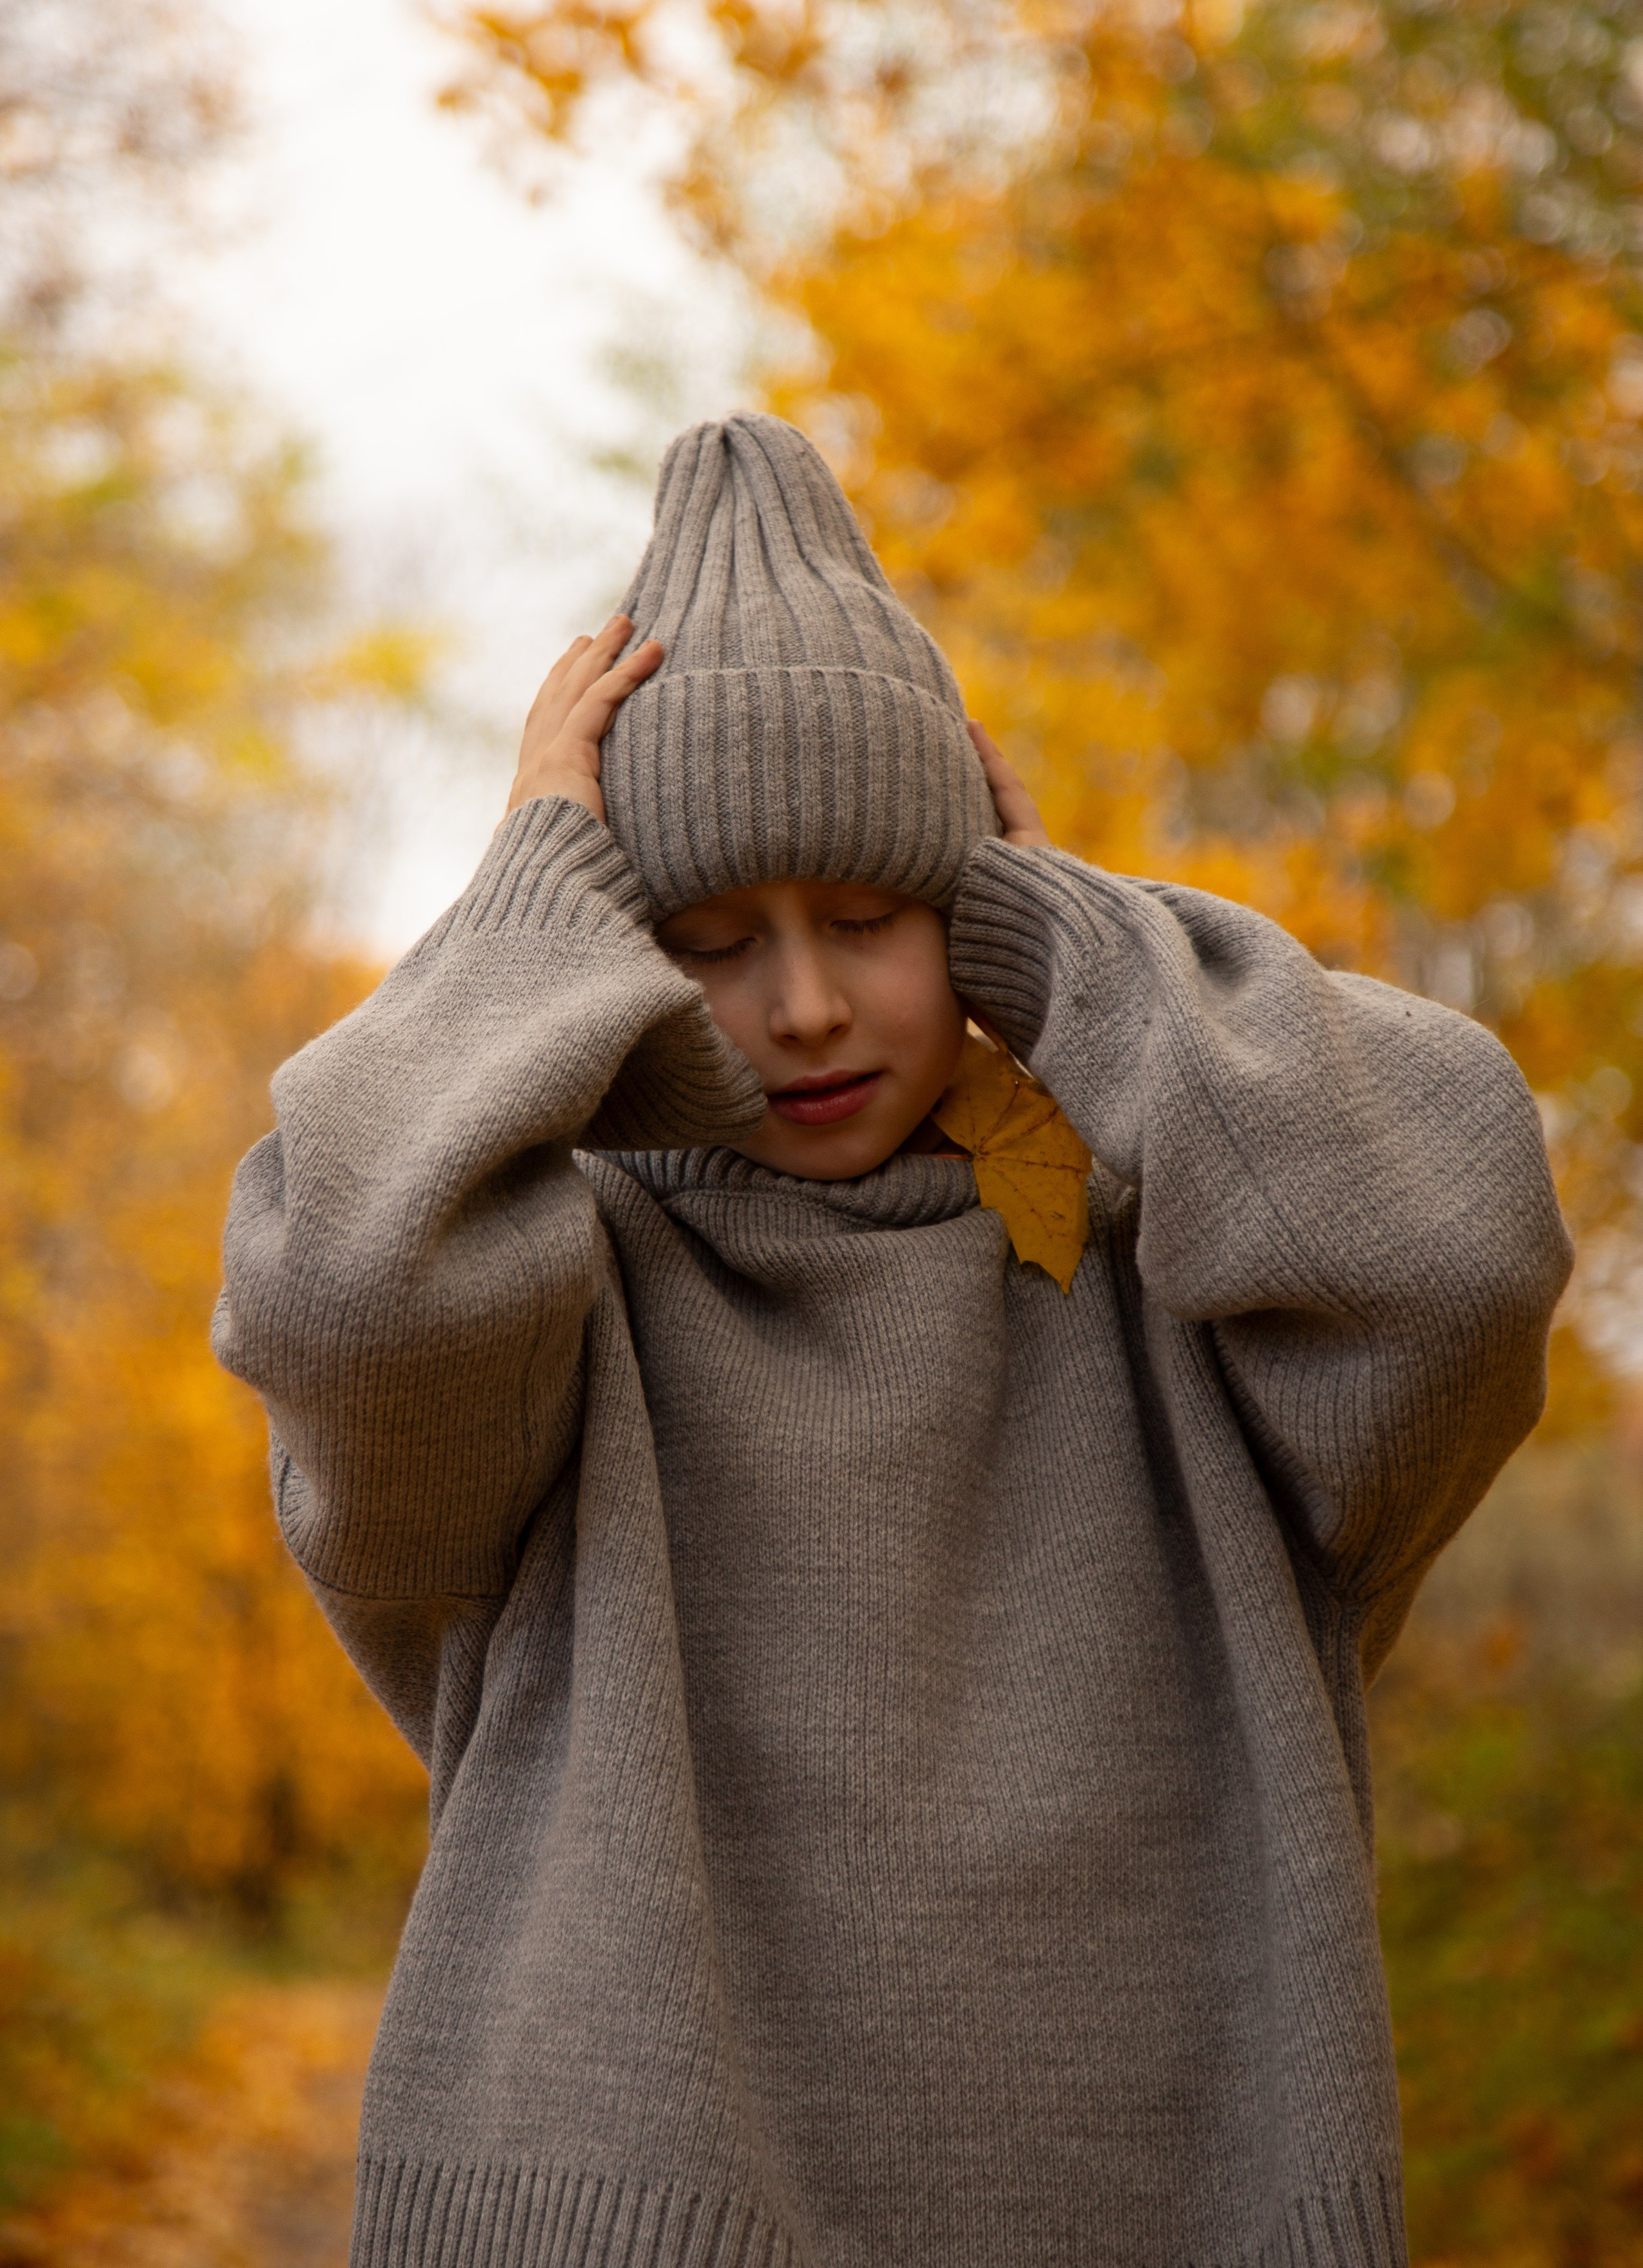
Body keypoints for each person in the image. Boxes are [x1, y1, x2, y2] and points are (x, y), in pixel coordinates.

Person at [214, 413, 1572, 2268]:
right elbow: (343, 1294)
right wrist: (533, 886)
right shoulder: (549, 1303)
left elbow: (1464, 1262)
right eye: (707, 941)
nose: (805, 1004)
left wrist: (1061, 935)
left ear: (977, 912)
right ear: (612, 954)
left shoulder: (1180, 1283)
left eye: (875, 914)